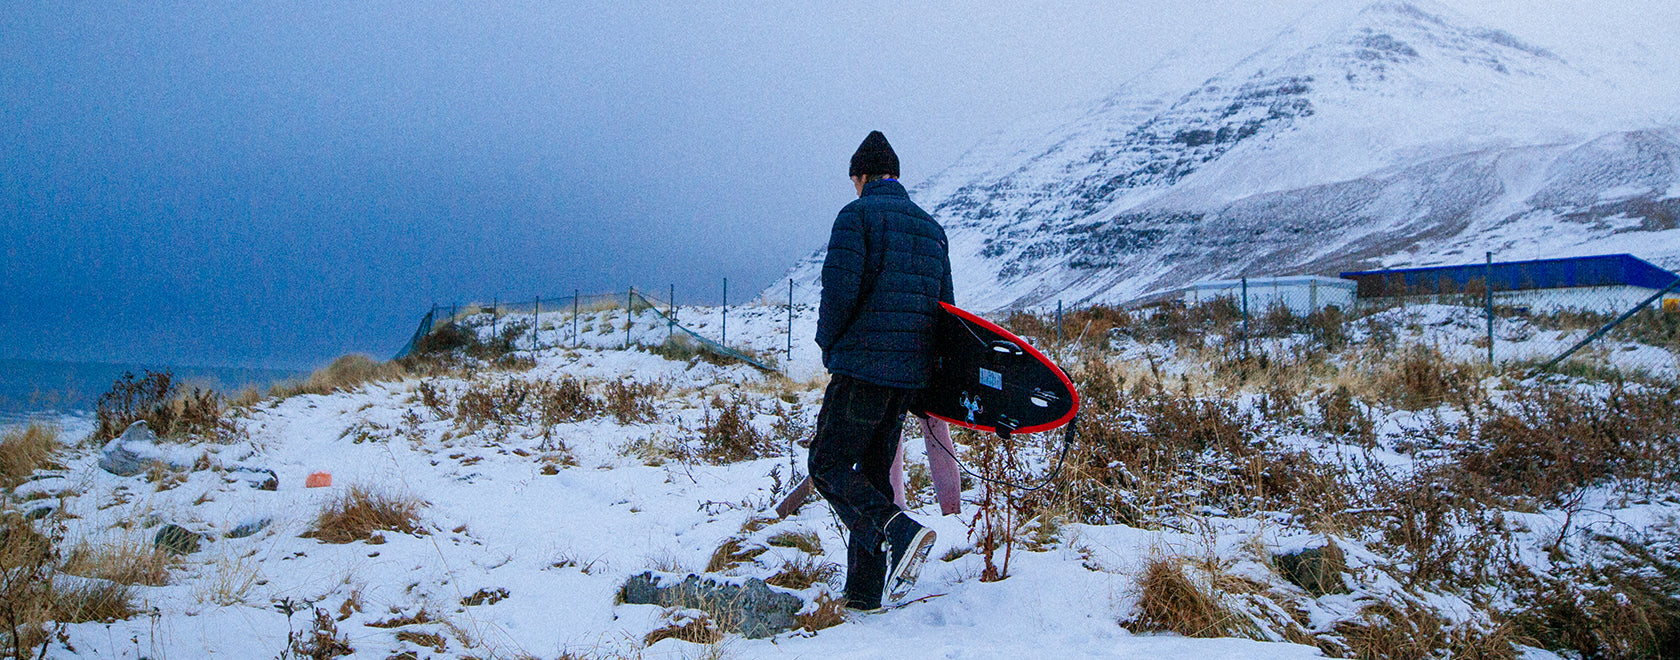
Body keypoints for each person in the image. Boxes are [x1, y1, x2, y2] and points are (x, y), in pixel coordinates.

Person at [810, 130, 955, 611]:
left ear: (862, 176)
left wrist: (830, 347)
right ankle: (864, 594)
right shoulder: (933, 230)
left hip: (861, 370)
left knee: (826, 464)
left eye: (854, 180)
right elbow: (946, 312)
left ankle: (899, 529)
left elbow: (838, 293)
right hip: (906, 379)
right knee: (872, 476)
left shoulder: (856, 217)